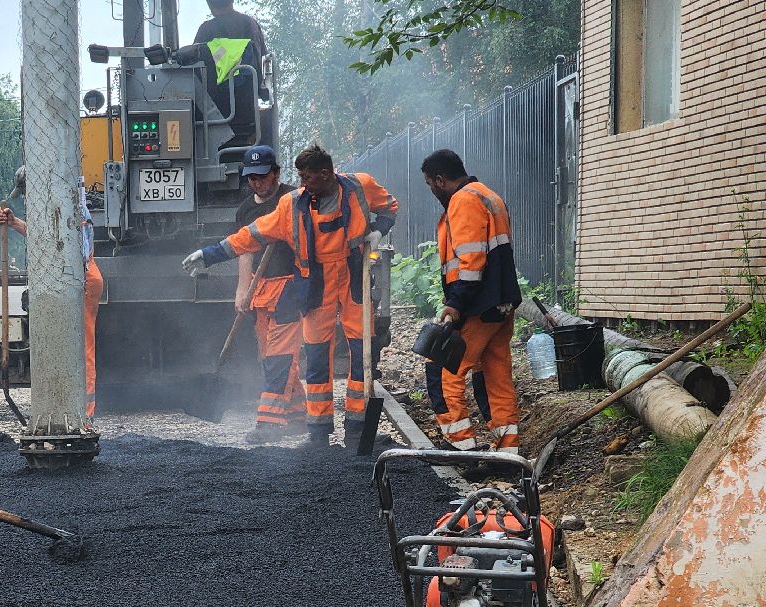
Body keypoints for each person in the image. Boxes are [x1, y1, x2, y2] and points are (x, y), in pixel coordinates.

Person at [183, 143, 397, 446]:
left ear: (325, 174)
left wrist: (379, 230)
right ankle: (318, 431)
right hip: (316, 286)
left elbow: (390, 206)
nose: (302, 183)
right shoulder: (292, 205)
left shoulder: (360, 187)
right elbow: (251, 235)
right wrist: (210, 254)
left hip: (353, 279)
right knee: (317, 356)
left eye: (307, 177)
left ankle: (358, 430)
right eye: (299, 177)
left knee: (361, 353)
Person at [421, 148, 523, 454]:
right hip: (500, 304)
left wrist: (456, 305)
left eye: (430, 185)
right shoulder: (489, 196)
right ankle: (508, 450)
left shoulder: (463, 200)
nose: (432, 191)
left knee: (442, 367)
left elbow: (471, 261)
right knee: (495, 374)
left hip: (477, 305)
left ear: (440, 180)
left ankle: (460, 447)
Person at [0, 166, 103, 421]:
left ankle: (84, 415)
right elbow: (44, 236)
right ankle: (60, 406)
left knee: (81, 348)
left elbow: (73, 253)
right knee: (60, 346)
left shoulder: (71, 207)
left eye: (26, 193)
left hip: (82, 281)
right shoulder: (54, 204)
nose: (25, 199)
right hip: (68, 281)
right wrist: (14, 223)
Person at [231, 145, 300, 442]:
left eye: (262, 176)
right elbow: (244, 251)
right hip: (261, 289)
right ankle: (298, 413)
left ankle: (269, 422)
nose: (257, 183)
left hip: (291, 285)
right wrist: (242, 289)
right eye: (251, 178)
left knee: (280, 354)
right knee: (267, 353)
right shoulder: (246, 209)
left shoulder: (294, 199)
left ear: (276, 173)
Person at [192, 0, 268, 146]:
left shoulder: (206, 31)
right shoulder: (251, 25)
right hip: (248, 116)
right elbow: (262, 64)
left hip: (213, 116)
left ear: (209, 4)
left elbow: (194, 72)